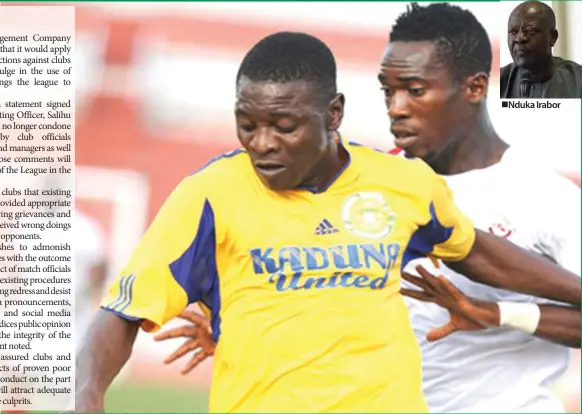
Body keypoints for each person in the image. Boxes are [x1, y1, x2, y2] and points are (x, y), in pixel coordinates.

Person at [75, 31, 581, 413]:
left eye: (284, 125)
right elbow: (118, 317)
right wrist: (87, 399)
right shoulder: (210, 195)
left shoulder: (400, 184)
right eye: (247, 124)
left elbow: (482, 255)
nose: (262, 143)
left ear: (333, 113)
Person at [500, 0, 582, 99]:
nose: (519, 38)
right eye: (513, 31)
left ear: (552, 37)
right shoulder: (498, 81)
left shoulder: (578, 80)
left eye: (531, 31)